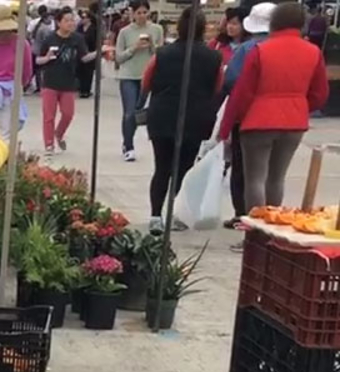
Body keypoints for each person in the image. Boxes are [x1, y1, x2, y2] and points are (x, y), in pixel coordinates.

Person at [219, 0, 329, 237]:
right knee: (276, 178)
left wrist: (227, 126)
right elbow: (320, 93)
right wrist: (299, 105)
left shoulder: (261, 50)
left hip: (258, 120)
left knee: (255, 179)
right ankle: (274, 233)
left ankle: (256, 233)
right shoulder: (313, 52)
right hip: (294, 122)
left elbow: (242, 93)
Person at [141, 5, 225, 231]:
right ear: (202, 29)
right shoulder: (214, 57)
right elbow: (218, 87)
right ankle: (173, 214)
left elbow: (146, 82)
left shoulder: (162, 53)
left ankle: (155, 216)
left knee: (162, 168)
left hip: (163, 115)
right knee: (184, 169)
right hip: (196, 118)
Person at [225, 3, 274, 225]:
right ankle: (271, 215)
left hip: (248, 116)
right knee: (272, 172)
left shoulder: (246, 49)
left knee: (244, 170)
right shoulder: (291, 47)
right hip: (285, 120)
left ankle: (243, 216)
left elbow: (231, 82)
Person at [36, 8, 98, 155]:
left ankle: (59, 133)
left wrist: (98, 52)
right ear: (59, 22)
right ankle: (49, 144)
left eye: (72, 20)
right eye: (67, 20)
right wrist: (46, 58)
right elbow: (38, 60)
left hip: (68, 83)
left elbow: (84, 57)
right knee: (49, 116)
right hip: (50, 82)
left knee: (68, 114)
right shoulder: (50, 38)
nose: (71, 23)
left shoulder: (77, 39)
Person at [115, 0, 164, 161]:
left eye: (145, 12)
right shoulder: (125, 32)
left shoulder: (157, 29)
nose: (142, 16)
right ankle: (128, 146)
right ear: (132, 14)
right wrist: (134, 48)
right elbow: (118, 57)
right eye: (139, 13)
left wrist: (152, 45)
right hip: (128, 76)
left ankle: (128, 138)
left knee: (137, 113)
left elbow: (161, 55)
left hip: (147, 76)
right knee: (129, 113)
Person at [77, 8, 103, 96]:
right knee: (80, 71)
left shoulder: (94, 28)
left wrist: (98, 50)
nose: (83, 19)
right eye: (82, 17)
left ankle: (86, 90)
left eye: (84, 17)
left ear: (89, 18)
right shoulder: (79, 28)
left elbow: (98, 40)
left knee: (88, 72)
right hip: (80, 51)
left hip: (91, 51)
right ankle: (81, 88)